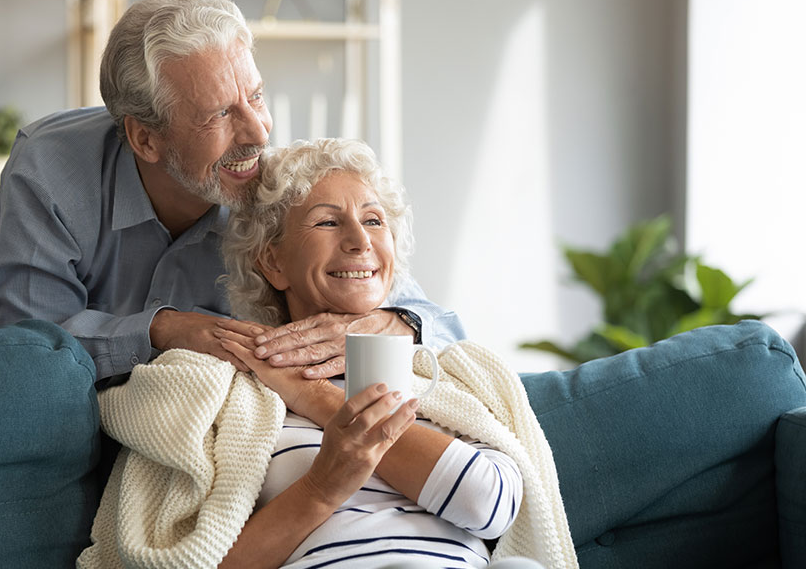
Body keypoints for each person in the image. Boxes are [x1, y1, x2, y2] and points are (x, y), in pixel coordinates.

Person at [0, 0, 464, 385]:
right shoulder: (50, 168)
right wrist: (161, 329)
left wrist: (392, 324)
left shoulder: (265, 174)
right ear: (146, 138)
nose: (258, 132)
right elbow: (32, 346)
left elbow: (429, 314)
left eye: (256, 97)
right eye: (220, 115)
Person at [80, 139, 571, 569]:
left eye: (374, 220)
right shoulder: (216, 389)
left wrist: (314, 397)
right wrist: (323, 487)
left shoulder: (443, 372)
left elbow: (492, 504)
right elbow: (191, 562)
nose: (360, 241)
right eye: (328, 222)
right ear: (273, 261)